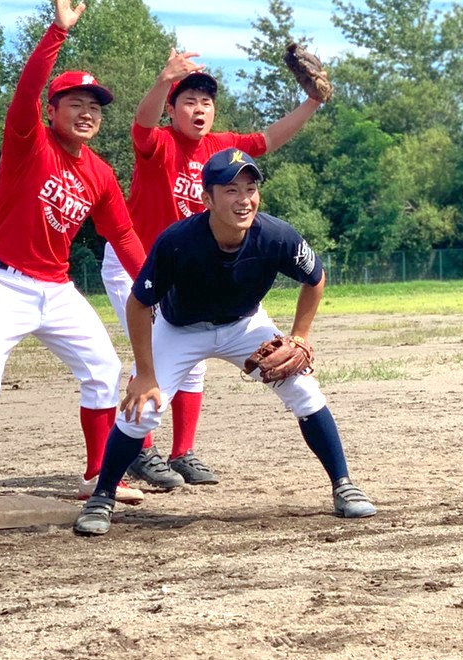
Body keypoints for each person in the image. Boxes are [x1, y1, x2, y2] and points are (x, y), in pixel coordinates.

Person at [73, 148, 375, 536]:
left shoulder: (275, 236)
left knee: (303, 389)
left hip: (244, 325)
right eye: (230, 189)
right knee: (143, 408)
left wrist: (299, 336)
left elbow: (314, 279)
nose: (244, 199)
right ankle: (102, 497)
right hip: (179, 329)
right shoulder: (179, 241)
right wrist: (145, 373)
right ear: (207, 199)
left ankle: (343, 485)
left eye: (250, 188)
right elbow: (137, 304)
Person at [0, 0, 148, 505]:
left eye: (96, 108)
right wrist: (57, 31)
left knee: (104, 370)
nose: (87, 112)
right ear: (53, 111)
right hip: (1, 280)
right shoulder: (28, 142)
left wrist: (154, 282)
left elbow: (122, 233)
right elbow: (27, 89)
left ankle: (98, 475)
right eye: (75, 103)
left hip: (55, 289)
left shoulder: (101, 174)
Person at [100, 52, 321, 490]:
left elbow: (270, 138)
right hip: (138, 260)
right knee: (151, 356)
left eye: (205, 101)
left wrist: (312, 101)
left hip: (190, 266)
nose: (198, 109)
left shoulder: (223, 149)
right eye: (188, 101)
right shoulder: (159, 142)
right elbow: (140, 126)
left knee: (194, 359)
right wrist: (165, 77)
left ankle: (182, 452)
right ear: (171, 107)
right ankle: (141, 453)